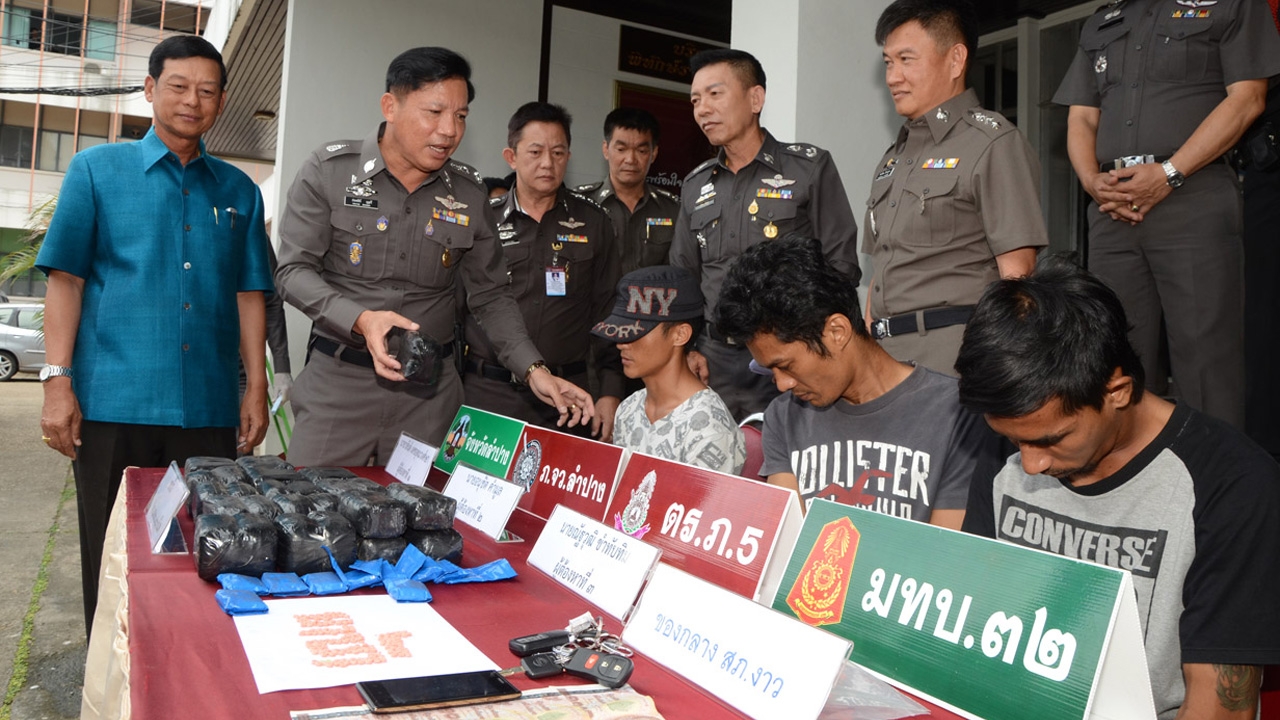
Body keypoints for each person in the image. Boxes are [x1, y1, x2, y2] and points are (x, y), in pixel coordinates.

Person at [956, 257, 1280, 720]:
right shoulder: (1009, 442)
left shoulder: (1233, 485)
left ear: (1117, 391)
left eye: (1051, 440)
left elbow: (1221, 705)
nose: (1030, 464)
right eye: (1014, 440)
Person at [35, 36, 274, 634]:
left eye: (207, 90)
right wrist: (56, 383)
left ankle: (191, 664)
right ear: (149, 90)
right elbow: (65, 280)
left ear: (221, 101)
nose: (192, 100)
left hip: (208, 409)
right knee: (113, 550)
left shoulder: (239, 191)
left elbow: (249, 295)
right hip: (113, 404)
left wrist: (255, 388)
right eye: (178, 86)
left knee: (209, 549)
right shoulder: (96, 171)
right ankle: (114, 669)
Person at [276, 48, 594, 466]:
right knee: (311, 504)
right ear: (390, 106)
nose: (449, 130)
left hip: (427, 398)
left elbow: (491, 297)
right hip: (339, 385)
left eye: (461, 116)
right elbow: (292, 271)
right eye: (435, 112)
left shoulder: (468, 193)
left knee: (422, 508)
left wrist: (534, 369)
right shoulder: (330, 171)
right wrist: (361, 319)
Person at [1053, 0, 1280, 430]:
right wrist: (1090, 181)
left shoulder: (1230, 4)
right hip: (1113, 208)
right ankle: (1133, 468)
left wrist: (1170, 173)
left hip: (1193, 196)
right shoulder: (1103, 20)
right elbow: (1081, 117)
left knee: (1206, 361)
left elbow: (1248, 98)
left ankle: (1213, 470)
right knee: (1114, 357)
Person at [714, 234, 998, 528]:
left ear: (837, 332)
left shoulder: (955, 414)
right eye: (770, 371)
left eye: (785, 366)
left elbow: (947, 548)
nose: (782, 384)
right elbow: (790, 538)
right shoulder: (785, 417)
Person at [671, 48, 860, 421]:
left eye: (714, 94)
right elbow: (683, 276)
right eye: (695, 101)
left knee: (786, 454)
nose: (703, 109)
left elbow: (841, 265)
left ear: (755, 98)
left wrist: (808, 344)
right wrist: (686, 349)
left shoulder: (808, 168)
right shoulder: (695, 185)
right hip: (714, 358)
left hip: (789, 356)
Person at [866, 0, 1047, 375]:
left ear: (955, 60)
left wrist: (1000, 368)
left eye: (906, 59)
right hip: (884, 359)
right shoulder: (893, 159)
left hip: (954, 359)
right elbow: (880, 270)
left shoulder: (992, 143)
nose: (893, 77)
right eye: (888, 62)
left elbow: (1018, 275)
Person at [463, 102, 622, 439]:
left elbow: (608, 311)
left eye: (558, 153)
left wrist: (611, 390)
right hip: (489, 392)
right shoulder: (484, 220)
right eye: (535, 152)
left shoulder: (594, 222)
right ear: (511, 157)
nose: (548, 163)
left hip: (567, 399)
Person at [592, 265, 745, 475]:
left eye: (636, 332)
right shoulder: (628, 409)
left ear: (680, 335)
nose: (621, 343)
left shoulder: (708, 426)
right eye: (620, 331)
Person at [576, 107, 680, 274]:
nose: (630, 159)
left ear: (654, 154)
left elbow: (679, 271)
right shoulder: (579, 204)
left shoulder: (673, 209)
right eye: (621, 149)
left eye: (641, 151)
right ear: (606, 149)